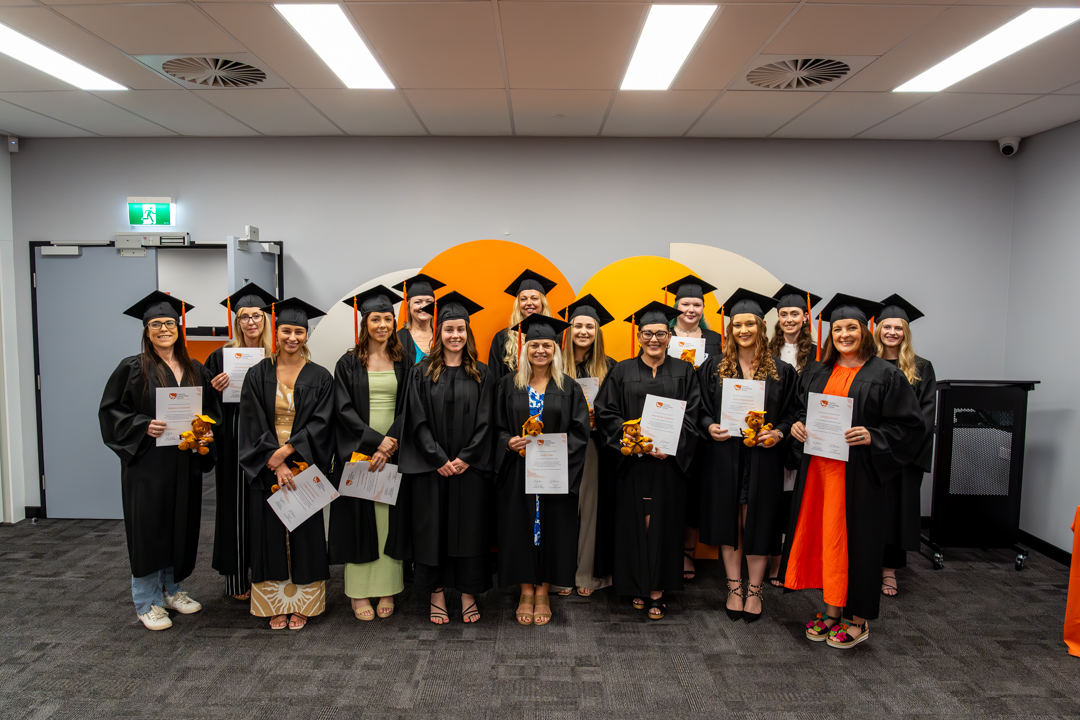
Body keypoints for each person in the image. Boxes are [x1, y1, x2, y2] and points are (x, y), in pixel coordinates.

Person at [780, 294, 923, 649]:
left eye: (851, 328)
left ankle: (857, 619)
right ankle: (830, 611)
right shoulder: (817, 370)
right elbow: (802, 411)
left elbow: (910, 427)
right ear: (831, 334)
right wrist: (797, 427)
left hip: (859, 475)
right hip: (818, 472)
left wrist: (873, 435)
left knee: (856, 543)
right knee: (825, 539)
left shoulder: (885, 374)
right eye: (838, 328)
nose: (844, 334)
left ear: (865, 331)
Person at [100, 291, 220, 631]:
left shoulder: (195, 369)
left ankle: (172, 589)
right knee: (149, 528)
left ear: (178, 328)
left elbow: (209, 413)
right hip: (148, 463)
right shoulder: (132, 368)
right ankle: (146, 601)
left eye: (169, 323)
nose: (163, 329)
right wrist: (142, 424)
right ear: (146, 329)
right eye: (156, 324)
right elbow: (111, 411)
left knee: (179, 524)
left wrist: (207, 434)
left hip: (183, 464)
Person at [393, 292, 496, 624]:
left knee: (469, 531)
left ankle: (468, 594)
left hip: (470, 468)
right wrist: (438, 458)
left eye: (461, 330)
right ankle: (436, 594)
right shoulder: (421, 372)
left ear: (468, 333)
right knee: (431, 530)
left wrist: (466, 457)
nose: (455, 336)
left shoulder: (482, 373)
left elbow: (488, 420)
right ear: (439, 333)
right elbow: (416, 419)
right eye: (449, 329)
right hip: (431, 468)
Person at [594, 301, 701, 620]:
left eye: (660, 333)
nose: (653, 339)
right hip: (632, 461)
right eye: (647, 333)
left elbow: (693, 416)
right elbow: (605, 412)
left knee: (663, 522)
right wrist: (629, 440)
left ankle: (656, 589)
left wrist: (671, 447)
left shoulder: (684, 370)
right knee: (634, 521)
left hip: (668, 462)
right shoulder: (622, 370)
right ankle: (636, 584)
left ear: (670, 336)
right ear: (638, 336)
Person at [697, 289, 797, 623]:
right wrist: (710, 426)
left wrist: (778, 433)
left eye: (750, 323)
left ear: (760, 327)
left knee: (758, 521)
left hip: (763, 458)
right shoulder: (712, 367)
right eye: (737, 324)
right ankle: (733, 586)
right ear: (730, 329)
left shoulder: (781, 370)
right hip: (725, 455)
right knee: (730, 522)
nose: (743, 330)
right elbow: (699, 410)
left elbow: (792, 413)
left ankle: (755, 590)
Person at [239, 298, 334, 631]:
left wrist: (290, 452)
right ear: (275, 332)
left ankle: (304, 604)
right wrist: (274, 460)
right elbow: (250, 422)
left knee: (304, 533)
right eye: (286, 331)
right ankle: (273, 604)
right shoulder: (256, 374)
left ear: (306, 335)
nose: (292, 337)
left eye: (299, 331)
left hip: (303, 465)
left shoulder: (320, 376)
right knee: (269, 534)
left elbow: (323, 423)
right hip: (268, 464)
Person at [496, 314, 591, 626]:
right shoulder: (507, 385)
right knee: (520, 527)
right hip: (518, 473)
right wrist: (509, 443)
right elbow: (494, 428)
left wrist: (555, 454)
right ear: (525, 349)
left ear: (555, 349)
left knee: (554, 529)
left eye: (546, 345)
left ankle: (544, 591)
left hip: (555, 474)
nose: (540, 350)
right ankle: (526, 591)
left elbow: (580, 433)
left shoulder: (570, 388)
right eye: (534, 345)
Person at [328, 286, 408, 621]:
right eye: (376, 318)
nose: (382, 325)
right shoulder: (347, 363)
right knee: (360, 520)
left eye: (388, 318)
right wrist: (375, 442)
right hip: (360, 450)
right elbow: (342, 409)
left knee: (389, 519)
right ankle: (359, 593)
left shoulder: (403, 362)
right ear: (365, 322)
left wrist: (391, 442)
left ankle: (387, 587)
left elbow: (410, 406)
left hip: (395, 448)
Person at [205, 282, 276, 601]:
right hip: (233, 436)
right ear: (237, 321)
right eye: (245, 316)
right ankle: (235, 578)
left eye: (257, 316)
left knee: (264, 506)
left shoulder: (276, 356)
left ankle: (264, 573)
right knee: (234, 505)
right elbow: (202, 407)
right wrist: (214, 390)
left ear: (265, 320)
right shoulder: (219, 357)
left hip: (267, 438)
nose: (251, 321)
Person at [661, 275, 722, 582]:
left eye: (697, 303)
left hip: (703, 416)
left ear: (703, 306)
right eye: (685, 303)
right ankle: (667, 548)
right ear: (676, 306)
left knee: (696, 487)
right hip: (671, 417)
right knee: (672, 485)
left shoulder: (714, 339)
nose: (691, 309)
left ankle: (687, 551)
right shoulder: (663, 333)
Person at [875, 294, 936, 597]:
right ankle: (867, 565)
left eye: (898, 328)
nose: (892, 333)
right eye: (887, 327)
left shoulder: (921, 368)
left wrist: (896, 451)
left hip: (902, 458)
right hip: (870, 452)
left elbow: (924, 418)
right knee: (870, 512)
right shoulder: (867, 365)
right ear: (878, 330)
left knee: (897, 513)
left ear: (906, 333)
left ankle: (889, 571)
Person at [557, 295, 617, 597]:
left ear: (597, 332)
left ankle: (586, 575)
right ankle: (558, 574)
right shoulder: (554, 362)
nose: (583, 331)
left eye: (589, 327)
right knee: (562, 508)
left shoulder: (610, 367)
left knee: (590, 508)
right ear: (569, 330)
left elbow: (617, 410)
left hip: (594, 445)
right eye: (578, 325)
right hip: (559, 445)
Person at [765, 283, 821, 587]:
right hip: (774, 431)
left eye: (794, 313)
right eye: (783, 313)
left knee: (795, 500)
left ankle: (792, 560)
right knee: (774, 498)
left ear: (804, 317)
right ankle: (774, 559)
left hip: (803, 434)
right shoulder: (768, 351)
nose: (788, 318)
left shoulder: (818, 354)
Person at [488, 269, 558, 379]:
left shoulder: (556, 336)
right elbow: (495, 379)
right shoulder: (503, 338)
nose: (529, 303)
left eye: (534, 298)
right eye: (523, 299)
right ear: (518, 304)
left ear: (542, 302)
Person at [393, 273, 445, 366]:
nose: (424, 306)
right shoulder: (398, 339)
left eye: (429, 301)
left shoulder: (442, 335)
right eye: (418, 302)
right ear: (409, 306)